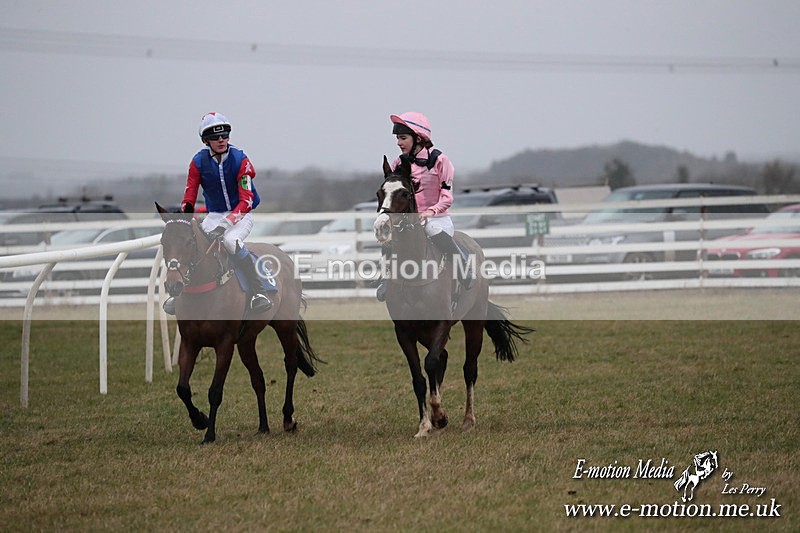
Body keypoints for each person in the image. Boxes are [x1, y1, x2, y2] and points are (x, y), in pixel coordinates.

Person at [163, 112, 273, 315]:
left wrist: (226, 224)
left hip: (241, 214)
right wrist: (185, 218)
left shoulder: (241, 160)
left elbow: (246, 201)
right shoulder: (197, 162)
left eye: (225, 135)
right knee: (194, 242)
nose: (221, 140)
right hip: (214, 214)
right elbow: (190, 195)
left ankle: (259, 292)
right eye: (215, 137)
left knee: (230, 242)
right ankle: (178, 292)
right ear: (206, 141)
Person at [376, 111, 475, 301]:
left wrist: (430, 212)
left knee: (431, 228)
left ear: (418, 138)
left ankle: (463, 266)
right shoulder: (398, 163)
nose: (398, 143)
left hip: (437, 218)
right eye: (397, 138)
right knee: (388, 234)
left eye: (403, 138)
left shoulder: (440, 160)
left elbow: (447, 197)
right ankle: (385, 277)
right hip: (409, 219)